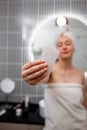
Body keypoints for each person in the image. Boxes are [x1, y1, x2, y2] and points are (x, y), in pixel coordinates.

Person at [21, 27, 87, 130]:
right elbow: (41, 78)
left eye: (68, 43)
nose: (64, 47)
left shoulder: (80, 73)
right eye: (59, 45)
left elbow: (84, 103)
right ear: (56, 50)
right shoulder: (50, 70)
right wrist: (31, 78)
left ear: (74, 47)